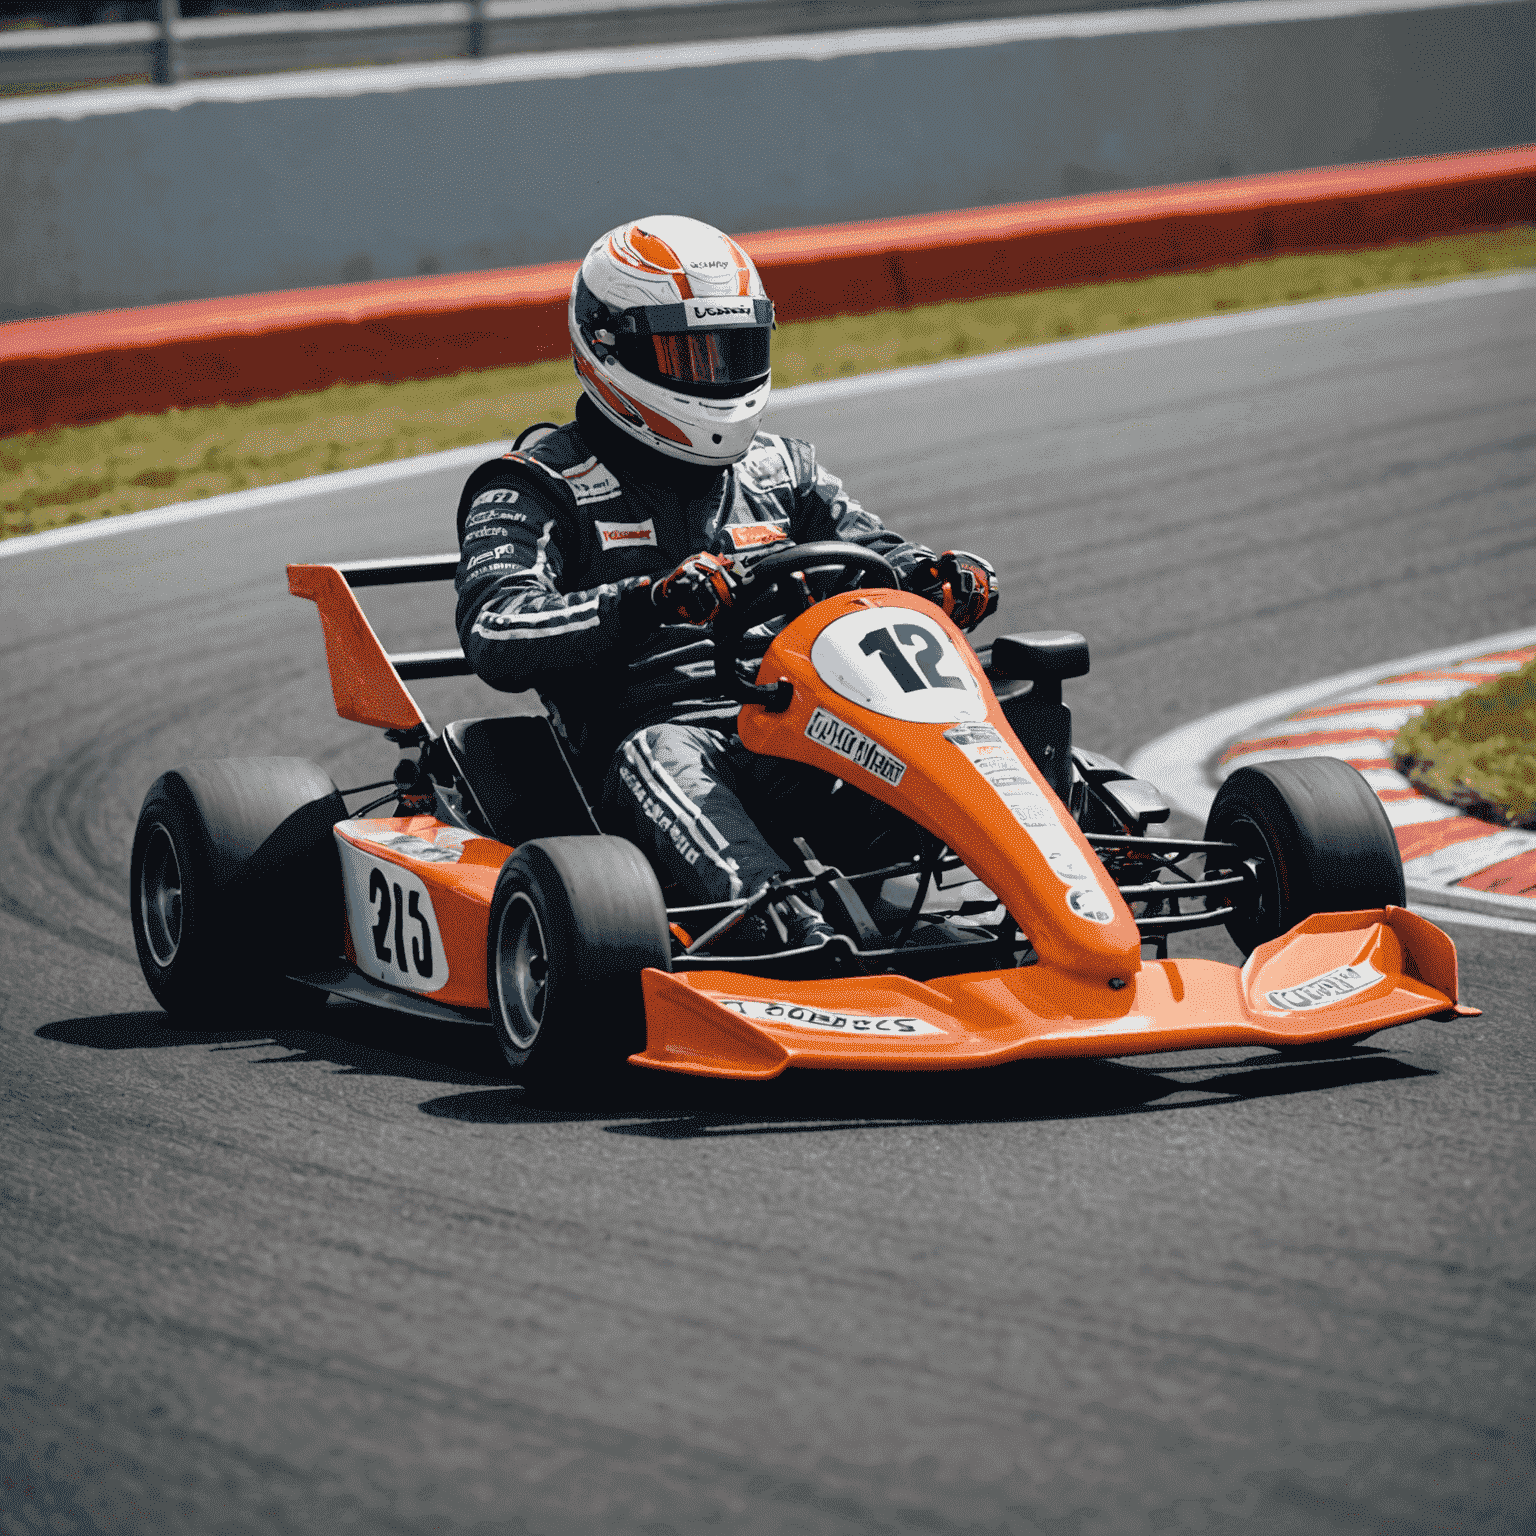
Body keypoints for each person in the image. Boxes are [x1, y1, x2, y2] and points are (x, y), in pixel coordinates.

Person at [454, 215, 998, 950]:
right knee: (664, 754)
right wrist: (645, 602)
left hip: (806, 721)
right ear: (609, 347)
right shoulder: (537, 483)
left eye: (733, 349)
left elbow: (875, 551)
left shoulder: (783, 470)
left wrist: (936, 578)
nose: (716, 375)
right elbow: (496, 628)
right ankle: (784, 931)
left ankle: (1051, 884)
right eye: (689, 352)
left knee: (986, 700)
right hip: (656, 747)